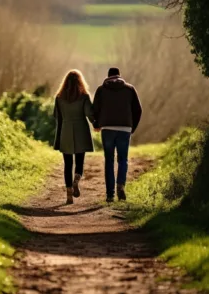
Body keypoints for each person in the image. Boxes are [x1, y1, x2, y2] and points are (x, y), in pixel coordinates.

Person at [92, 67, 142, 203]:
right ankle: (121, 184)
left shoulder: (101, 90)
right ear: (119, 76)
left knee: (109, 160)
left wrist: (96, 124)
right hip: (125, 128)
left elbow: (94, 109)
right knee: (123, 159)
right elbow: (138, 110)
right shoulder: (129, 89)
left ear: (108, 76)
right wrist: (132, 127)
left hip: (107, 128)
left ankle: (110, 195)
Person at [53, 70, 96, 205]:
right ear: (80, 82)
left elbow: (57, 117)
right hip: (81, 131)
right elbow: (90, 114)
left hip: (65, 131)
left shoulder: (59, 98)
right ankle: (76, 179)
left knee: (67, 164)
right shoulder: (84, 96)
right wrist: (97, 123)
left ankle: (69, 195)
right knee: (79, 161)